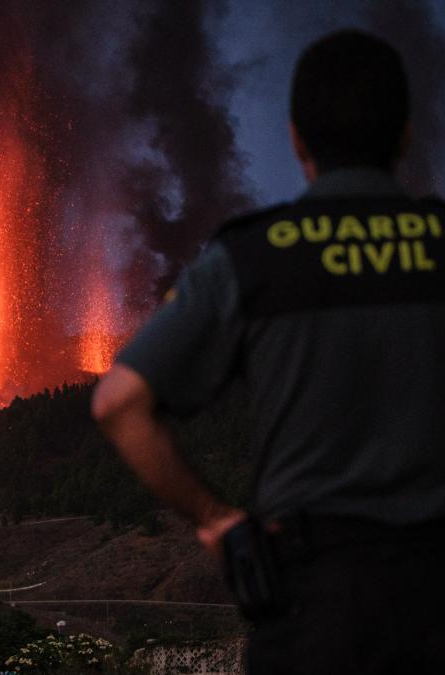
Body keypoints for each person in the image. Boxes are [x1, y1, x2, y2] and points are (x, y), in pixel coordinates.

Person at [91, 30, 444, 674]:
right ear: (405, 134)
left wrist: (218, 521)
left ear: (297, 140)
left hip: (313, 608)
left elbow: (117, 402)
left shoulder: (254, 256)